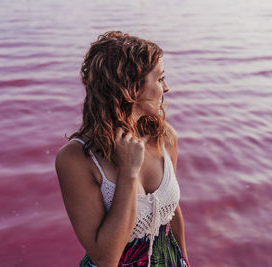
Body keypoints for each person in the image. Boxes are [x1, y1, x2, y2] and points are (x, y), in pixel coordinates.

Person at [55, 31, 190, 267]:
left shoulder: (165, 137)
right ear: (132, 87)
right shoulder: (76, 159)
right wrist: (128, 173)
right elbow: (105, 258)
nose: (166, 88)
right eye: (159, 79)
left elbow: (172, 212)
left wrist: (184, 260)